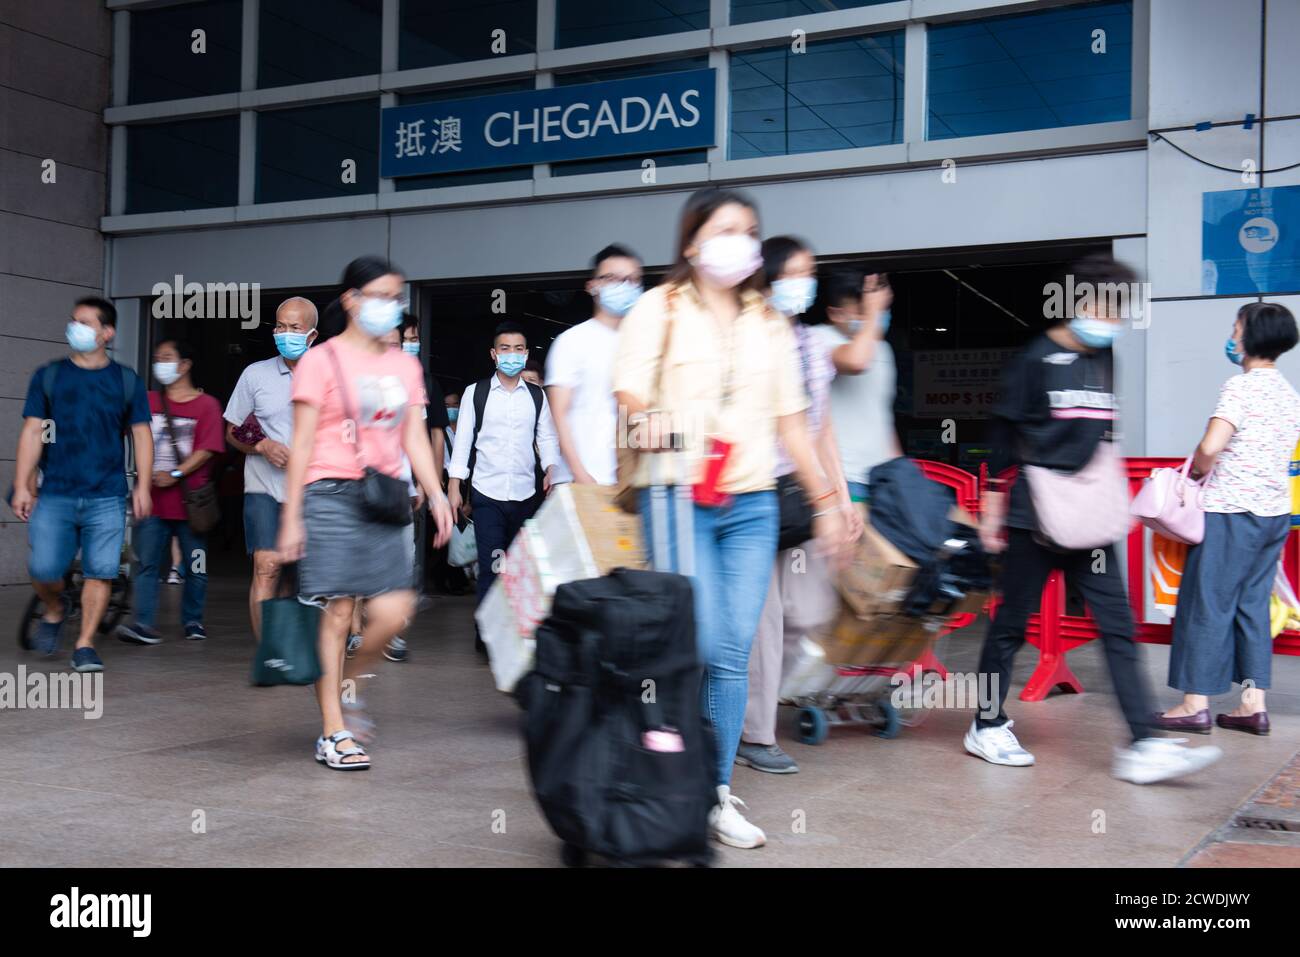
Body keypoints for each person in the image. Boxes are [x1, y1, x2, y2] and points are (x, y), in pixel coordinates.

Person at [613, 188, 849, 849]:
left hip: (751, 501)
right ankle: (661, 767)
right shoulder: (656, 309)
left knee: (731, 651)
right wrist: (644, 418)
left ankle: (712, 792)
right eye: (725, 229)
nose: (742, 241)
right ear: (691, 243)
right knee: (699, 636)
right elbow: (628, 389)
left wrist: (830, 505)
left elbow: (792, 427)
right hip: (677, 492)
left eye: (750, 231)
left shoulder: (769, 323)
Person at [972, 253, 1221, 784]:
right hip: (1032, 516)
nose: (1119, 322)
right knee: (1011, 626)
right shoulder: (1036, 359)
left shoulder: (1106, 360)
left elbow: (1104, 436)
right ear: (1082, 303)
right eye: (1113, 309)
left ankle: (1144, 743)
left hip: (1088, 516)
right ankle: (986, 723)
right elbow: (1001, 434)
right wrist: (993, 506)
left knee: (1117, 626)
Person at [277, 256, 452, 770]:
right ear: (352, 300)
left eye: (397, 297)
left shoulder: (403, 365)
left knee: (395, 610)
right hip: (329, 491)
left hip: (386, 494)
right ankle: (333, 731)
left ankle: (348, 684)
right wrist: (291, 516)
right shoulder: (320, 361)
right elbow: (303, 443)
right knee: (337, 610)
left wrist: (437, 493)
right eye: (380, 295)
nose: (391, 307)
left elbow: (413, 433)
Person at [738, 237, 863, 775]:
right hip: (756, 492)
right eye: (795, 273)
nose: (804, 283)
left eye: (809, 273)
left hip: (806, 494)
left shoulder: (811, 344)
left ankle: (746, 704)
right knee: (763, 621)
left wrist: (839, 495)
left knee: (808, 611)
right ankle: (754, 733)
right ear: (766, 280)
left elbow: (822, 427)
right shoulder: (746, 341)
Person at [1156, 303, 1300, 736]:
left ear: (1252, 337)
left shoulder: (1240, 388)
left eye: (1236, 328)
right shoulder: (1289, 394)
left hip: (1231, 513)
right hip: (1274, 516)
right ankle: (1252, 706)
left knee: (1206, 602)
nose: (1232, 336)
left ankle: (1194, 703)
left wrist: (1198, 469)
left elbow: (1212, 444)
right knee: (1252, 607)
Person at [10, 297, 152, 673]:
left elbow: (141, 434)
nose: (75, 328)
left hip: (106, 493)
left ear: (107, 333)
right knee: (43, 569)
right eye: (74, 321)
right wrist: (22, 483)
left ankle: (85, 643)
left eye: (85, 323)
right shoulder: (50, 375)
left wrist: (143, 487)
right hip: (55, 491)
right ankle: (56, 608)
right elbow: (33, 431)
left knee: (100, 571)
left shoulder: (125, 381)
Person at [447, 321, 560, 655]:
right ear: (494, 354)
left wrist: (552, 469)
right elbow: (464, 441)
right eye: (506, 349)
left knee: (520, 568)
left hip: (526, 495)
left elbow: (547, 438)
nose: (513, 355)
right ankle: (487, 636)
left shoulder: (538, 397)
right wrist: (455, 486)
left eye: (519, 349)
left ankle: (515, 632)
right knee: (492, 566)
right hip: (487, 494)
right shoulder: (476, 393)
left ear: (526, 354)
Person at [118, 340, 224, 645]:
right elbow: (126, 434)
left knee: (197, 564)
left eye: (167, 357)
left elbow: (207, 449)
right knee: (146, 563)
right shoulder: (146, 400)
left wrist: (175, 474)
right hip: (151, 501)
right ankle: (144, 624)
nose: (159, 363)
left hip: (193, 504)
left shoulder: (207, 405)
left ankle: (193, 620)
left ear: (185, 365)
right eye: (157, 358)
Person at [224, 297, 318, 640]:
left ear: (312, 335)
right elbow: (232, 429)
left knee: (299, 575)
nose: (285, 333)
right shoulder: (255, 374)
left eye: (295, 328)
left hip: (312, 490)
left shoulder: (330, 377)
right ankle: (270, 654)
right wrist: (262, 446)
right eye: (280, 326)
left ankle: (296, 644)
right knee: (266, 568)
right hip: (263, 487)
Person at [546, 244, 643, 486]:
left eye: (631, 280)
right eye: (613, 278)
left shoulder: (642, 343)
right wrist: (581, 475)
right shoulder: (572, 341)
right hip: (580, 481)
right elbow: (559, 415)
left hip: (629, 484)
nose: (623, 286)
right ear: (593, 286)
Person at [811, 270, 900, 501]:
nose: (876, 316)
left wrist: (899, 470)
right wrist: (873, 313)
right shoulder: (816, 339)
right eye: (863, 311)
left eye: (881, 310)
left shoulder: (881, 350)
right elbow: (855, 361)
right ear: (835, 314)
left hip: (882, 480)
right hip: (840, 480)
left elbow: (881, 420)